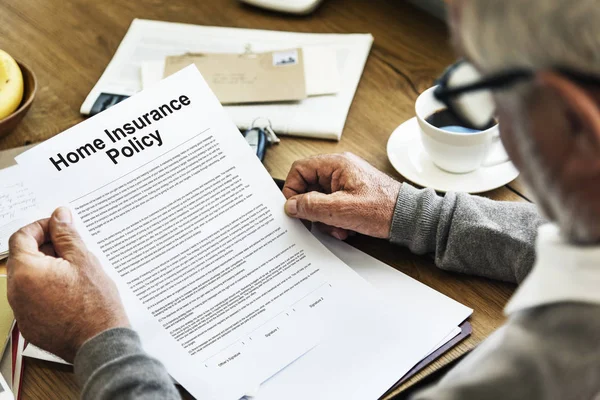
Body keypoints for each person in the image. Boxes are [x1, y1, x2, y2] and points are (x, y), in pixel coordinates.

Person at [7, 0, 600, 398]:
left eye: (483, 88)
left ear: (576, 122)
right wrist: (418, 214)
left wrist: (97, 342)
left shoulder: (549, 367)